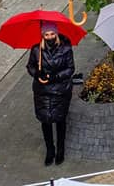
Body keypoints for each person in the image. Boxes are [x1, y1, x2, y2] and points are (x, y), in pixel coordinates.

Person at [26, 23, 75, 166]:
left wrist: (55, 77)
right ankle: (50, 150)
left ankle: (60, 150)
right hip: (42, 92)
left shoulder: (65, 48)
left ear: (56, 34)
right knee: (45, 121)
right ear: (42, 35)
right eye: (46, 35)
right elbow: (30, 66)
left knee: (60, 120)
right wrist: (37, 74)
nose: (49, 37)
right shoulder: (36, 50)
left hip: (60, 90)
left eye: (52, 34)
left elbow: (70, 68)